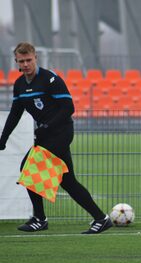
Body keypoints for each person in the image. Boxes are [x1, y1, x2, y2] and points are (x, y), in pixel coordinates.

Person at [0, 42, 112, 234]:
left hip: (61, 132)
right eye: (22, 61)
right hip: (46, 135)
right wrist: (3, 138)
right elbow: (15, 113)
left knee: (28, 166)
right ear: (16, 62)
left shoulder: (50, 79)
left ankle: (39, 219)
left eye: (29, 60)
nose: (26, 64)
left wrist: (47, 126)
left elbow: (69, 108)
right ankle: (101, 218)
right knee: (68, 182)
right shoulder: (19, 85)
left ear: (36, 58)